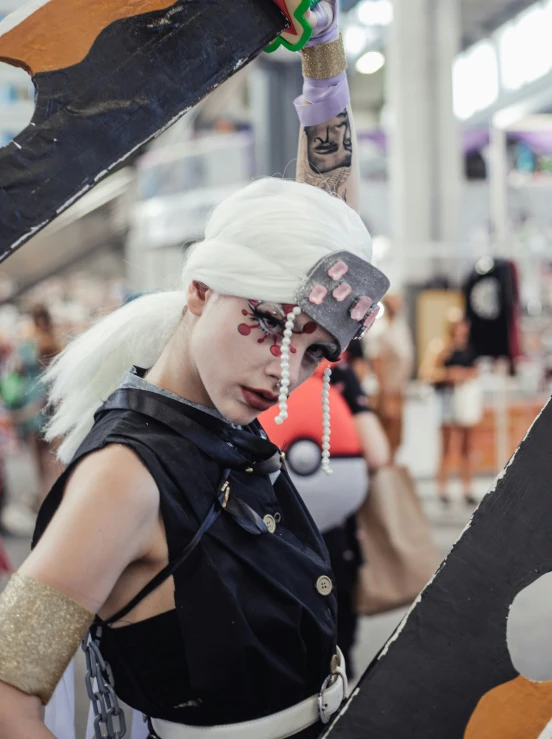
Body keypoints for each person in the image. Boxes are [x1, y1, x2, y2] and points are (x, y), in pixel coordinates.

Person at [0, 5, 389, 739]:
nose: (286, 372)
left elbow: (325, 243)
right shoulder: (126, 477)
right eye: (271, 323)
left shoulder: (218, 417)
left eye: (313, 352)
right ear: (201, 291)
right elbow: (5, 691)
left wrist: (325, 54)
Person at [261, 358, 390, 678]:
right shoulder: (335, 374)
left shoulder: (254, 368)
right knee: (335, 651)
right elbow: (377, 453)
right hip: (331, 538)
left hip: (259, 539)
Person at [420, 308, 481, 506]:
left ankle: (467, 488)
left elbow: (476, 372)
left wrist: (466, 375)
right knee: (446, 447)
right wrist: (450, 375)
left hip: (465, 401)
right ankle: (442, 488)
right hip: (446, 401)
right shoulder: (441, 348)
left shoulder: (471, 349)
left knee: (467, 447)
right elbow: (427, 373)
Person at [363, 292, 414, 461]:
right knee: (384, 436)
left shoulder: (400, 328)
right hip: (384, 392)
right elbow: (377, 364)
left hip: (397, 390)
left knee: (396, 439)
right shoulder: (379, 331)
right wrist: (386, 397)